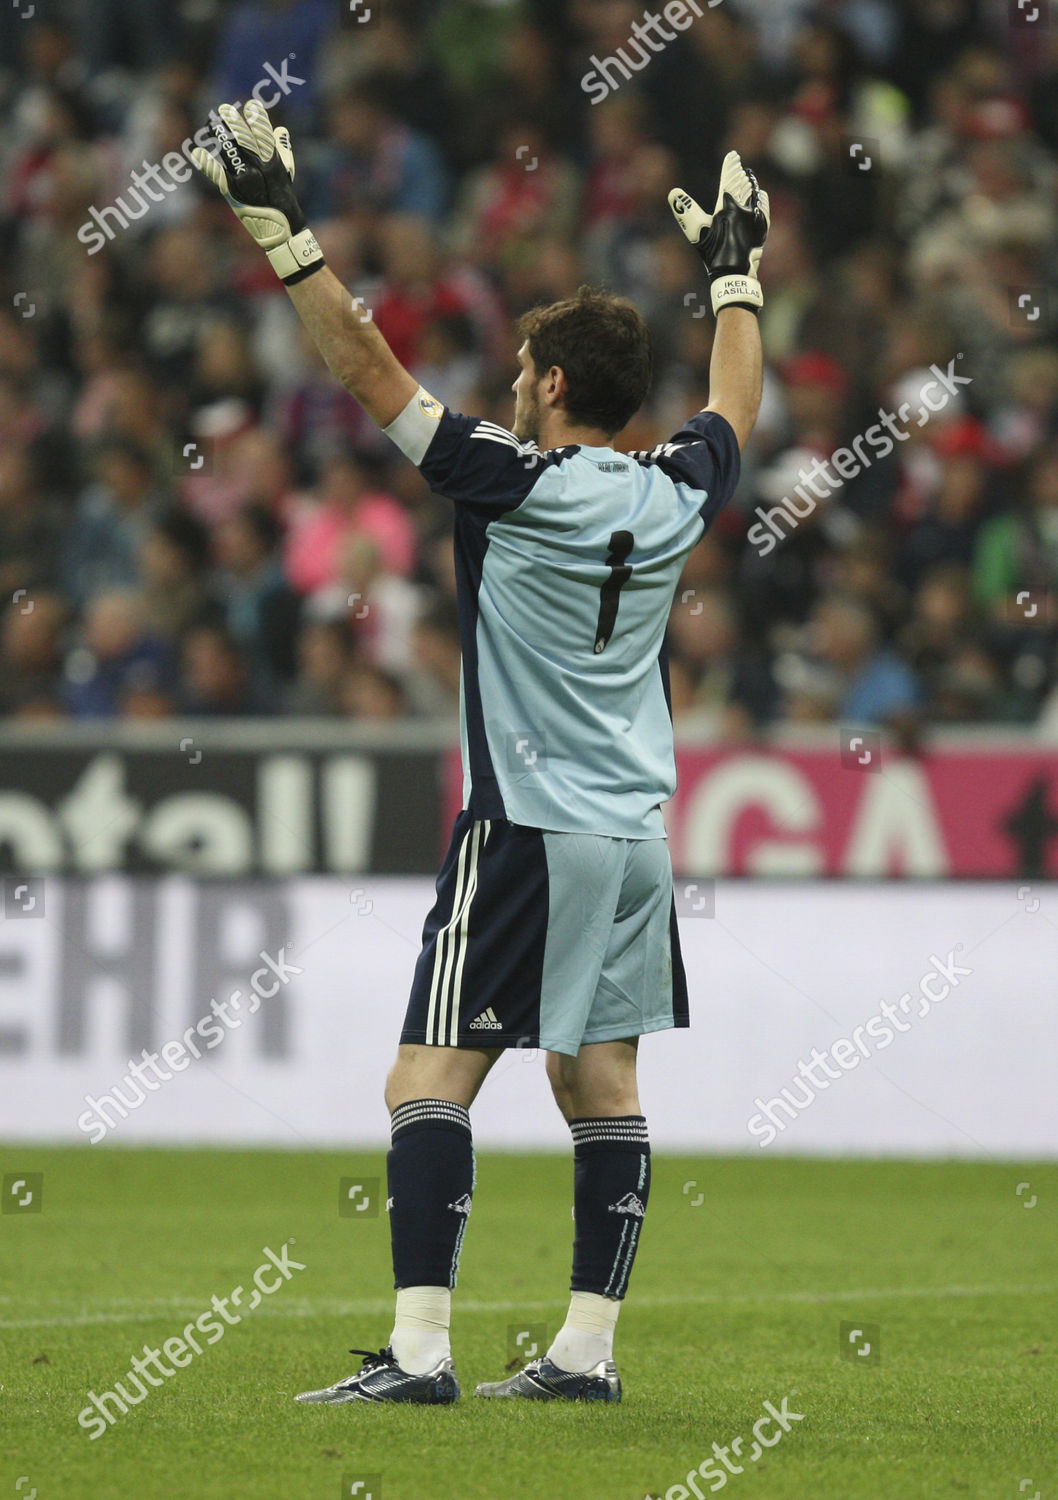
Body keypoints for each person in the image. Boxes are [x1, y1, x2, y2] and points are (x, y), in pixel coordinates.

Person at [193, 101, 768, 1406]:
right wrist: (736, 275)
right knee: (595, 1078)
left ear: (553, 385)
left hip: (522, 825)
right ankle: (582, 1352)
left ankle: (416, 1352)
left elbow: (361, 367)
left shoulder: (506, 480)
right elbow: (734, 396)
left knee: (422, 1079)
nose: (511, 382)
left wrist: (281, 232)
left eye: (523, 368)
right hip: (631, 834)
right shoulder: (678, 484)